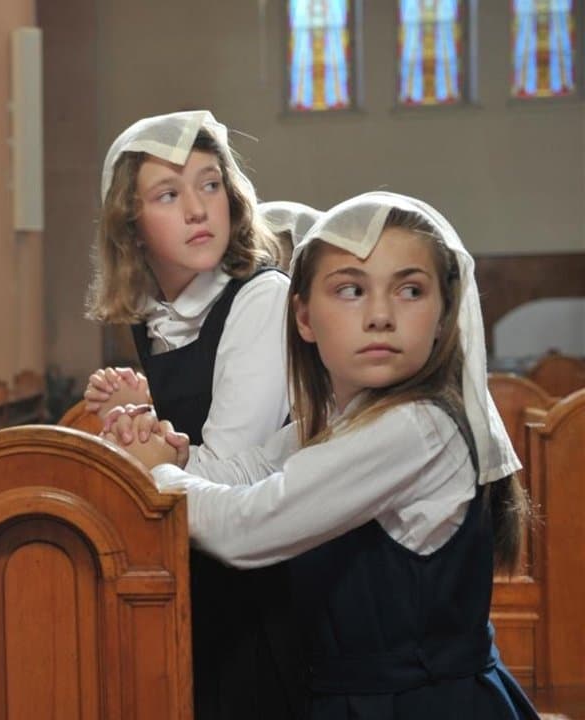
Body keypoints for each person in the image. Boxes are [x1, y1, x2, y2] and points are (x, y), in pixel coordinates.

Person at [108, 191, 538, 719]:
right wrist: (169, 454)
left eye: (409, 290)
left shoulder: (417, 428)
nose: (380, 315)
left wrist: (158, 474)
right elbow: (248, 470)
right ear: (304, 317)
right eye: (351, 290)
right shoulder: (348, 418)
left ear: (444, 314)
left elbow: (250, 525)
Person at [82, 110, 301, 718]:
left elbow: (235, 472)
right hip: (190, 568)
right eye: (168, 195)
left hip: (259, 581)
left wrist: (143, 451)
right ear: (130, 225)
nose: (199, 209)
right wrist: (137, 422)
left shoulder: (260, 298)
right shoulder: (152, 315)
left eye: (210, 184)